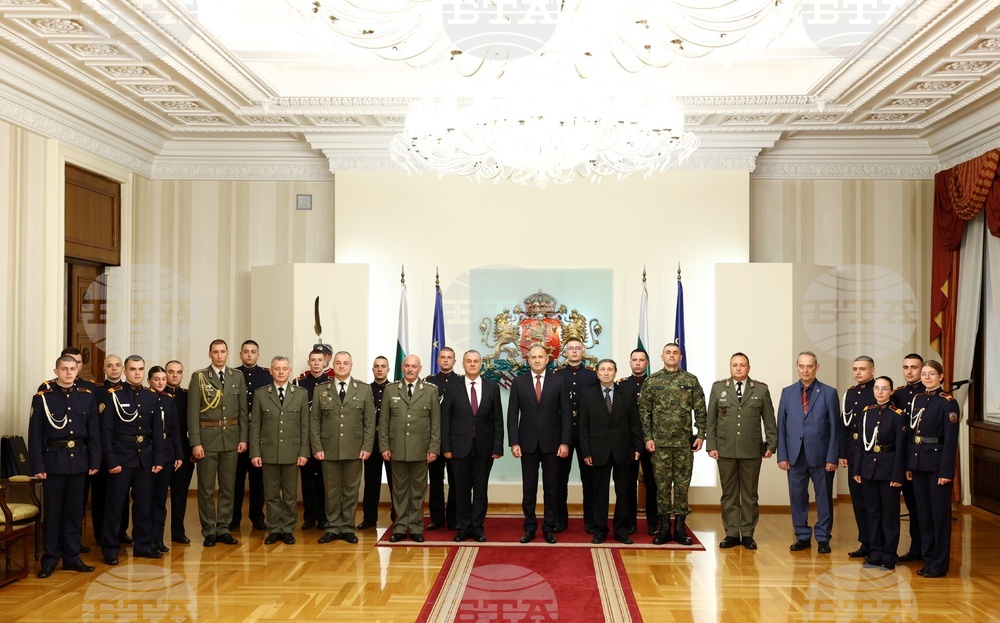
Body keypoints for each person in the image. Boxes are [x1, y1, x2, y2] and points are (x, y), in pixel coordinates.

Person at [28, 355, 100, 578]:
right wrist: (37, 465)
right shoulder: (43, 398)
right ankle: (49, 560)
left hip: (79, 461)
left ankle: (71, 557)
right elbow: (35, 435)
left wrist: (94, 461)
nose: (69, 373)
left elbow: (94, 433)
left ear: (77, 371)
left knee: (74, 513)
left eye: (72, 369)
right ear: (56, 371)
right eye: (64, 369)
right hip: (53, 462)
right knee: (53, 514)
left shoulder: (86, 397)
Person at [706, 352, 777, 550]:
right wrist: (711, 445)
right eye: (735, 365)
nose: (738, 368)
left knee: (749, 495)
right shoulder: (719, 387)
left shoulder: (761, 390)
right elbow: (711, 419)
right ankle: (731, 533)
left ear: (749, 368)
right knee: (729, 494)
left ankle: (747, 533)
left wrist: (771, 444)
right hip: (725, 449)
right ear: (730, 367)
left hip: (751, 450)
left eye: (742, 365)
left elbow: (769, 420)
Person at [639, 342, 707, 546]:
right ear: (662, 357)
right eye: (668, 353)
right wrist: (648, 437)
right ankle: (663, 528)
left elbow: (701, 409)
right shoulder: (652, 381)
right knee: (661, 487)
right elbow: (645, 412)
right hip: (659, 445)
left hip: (684, 445)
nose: (671, 355)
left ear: (680, 357)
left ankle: (679, 528)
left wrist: (701, 434)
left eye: (675, 353)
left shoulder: (690, 381)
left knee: (681, 487)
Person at [100, 355, 164, 565]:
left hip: (144, 458)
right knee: (115, 506)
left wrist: (158, 459)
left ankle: (143, 545)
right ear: (125, 372)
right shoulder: (113, 395)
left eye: (140, 369)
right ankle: (110, 549)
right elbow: (106, 431)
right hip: (121, 457)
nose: (137, 373)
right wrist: (111, 460)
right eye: (133, 369)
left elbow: (157, 431)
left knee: (143, 505)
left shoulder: (151, 396)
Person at [776, 351, 840, 554]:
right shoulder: (787, 392)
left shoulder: (829, 393)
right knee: (797, 497)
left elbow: (834, 428)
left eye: (809, 366)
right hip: (795, 456)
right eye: (802, 366)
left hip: (821, 457)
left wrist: (832, 457)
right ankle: (802, 536)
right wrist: (782, 455)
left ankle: (823, 538)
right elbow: (782, 426)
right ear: (797, 366)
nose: (805, 370)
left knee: (823, 498)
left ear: (816, 367)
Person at [187, 339, 248, 547]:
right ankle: (208, 530)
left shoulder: (236, 377)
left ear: (228, 354)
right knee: (205, 488)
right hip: (207, 439)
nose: (219, 355)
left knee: (228, 487)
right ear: (209, 354)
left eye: (223, 352)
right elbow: (192, 413)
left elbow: (242, 411)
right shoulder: (199, 377)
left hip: (231, 438)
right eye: (215, 352)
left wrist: (243, 438)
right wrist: (195, 442)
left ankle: (223, 528)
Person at [507, 345, 571, 544]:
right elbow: (512, 414)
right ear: (528, 360)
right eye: (533, 357)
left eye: (540, 357)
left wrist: (565, 442)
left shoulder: (558, 381)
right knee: (529, 489)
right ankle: (530, 527)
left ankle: (549, 527)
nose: (536, 360)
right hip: (527, 444)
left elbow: (566, 415)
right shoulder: (519, 382)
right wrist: (514, 442)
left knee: (551, 489)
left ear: (547, 359)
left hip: (553, 444)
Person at [311, 351, 375, 544]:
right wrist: (317, 446)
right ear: (333, 365)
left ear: (351, 365)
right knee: (331, 491)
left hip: (354, 449)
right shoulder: (321, 389)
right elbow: (314, 421)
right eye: (338, 363)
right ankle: (332, 527)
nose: (341, 366)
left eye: (345, 363)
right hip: (328, 448)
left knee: (350, 490)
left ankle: (347, 527)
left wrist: (367, 446)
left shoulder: (363, 389)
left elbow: (369, 422)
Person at [443, 350, 503, 543]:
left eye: (476, 361)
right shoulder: (452, 387)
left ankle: (477, 527)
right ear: (463, 364)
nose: (472, 364)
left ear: (481, 364)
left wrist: (497, 447)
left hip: (484, 448)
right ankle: (463, 527)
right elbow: (445, 419)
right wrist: (447, 447)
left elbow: (498, 420)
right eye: (468, 361)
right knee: (460, 489)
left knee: (480, 489)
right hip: (459, 447)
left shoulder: (492, 387)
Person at [907, 360, 961, 578]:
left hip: (937, 466)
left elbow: (950, 440)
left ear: (941, 377)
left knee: (939, 516)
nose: (927, 377)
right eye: (925, 373)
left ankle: (939, 564)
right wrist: (910, 464)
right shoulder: (918, 399)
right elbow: (912, 435)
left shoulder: (948, 403)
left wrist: (947, 472)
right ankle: (927, 560)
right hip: (919, 464)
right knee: (923, 514)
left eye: (932, 374)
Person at [580, 359, 642, 545]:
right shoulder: (588, 394)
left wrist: (637, 447)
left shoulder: (627, 393)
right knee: (599, 493)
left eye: (610, 370)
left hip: (623, 450)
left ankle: (621, 530)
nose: (606, 373)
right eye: (602, 370)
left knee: (623, 492)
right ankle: (599, 530)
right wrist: (586, 452)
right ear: (597, 373)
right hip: (598, 451)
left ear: (615, 372)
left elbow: (634, 422)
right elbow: (584, 426)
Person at [250, 356, 309, 545]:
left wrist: (303, 452)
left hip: (292, 452)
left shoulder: (300, 394)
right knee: (272, 494)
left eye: (284, 368)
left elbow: (304, 426)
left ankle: (288, 528)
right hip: (268, 452)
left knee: (290, 495)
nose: (281, 372)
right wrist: (255, 452)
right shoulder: (261, 394)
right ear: (271, 371)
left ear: (290, 371)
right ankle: (274, 528)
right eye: (277, 368)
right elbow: (255, 426)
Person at [381, 355, 440, 543]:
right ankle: (399, 527)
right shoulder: (390, 390)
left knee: (417, 490)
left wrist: (434, 447)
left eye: (414, 366)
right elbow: (383, 422)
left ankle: (415, 527)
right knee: (399, 490)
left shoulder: (431, 390)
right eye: (407, 366)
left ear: (420, 368)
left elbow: (435, 423)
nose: (410, 369)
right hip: (397, 449)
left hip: (421, 450)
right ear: (402, 367)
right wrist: (384, 446)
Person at [854, 376, 907, 570]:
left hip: (888, 469)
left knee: (890, 514)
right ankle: (875, 552)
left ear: (891, 392)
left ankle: (889, 554)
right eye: (877, 388)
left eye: (884, 389)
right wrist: (858, 468)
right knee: (873, 513)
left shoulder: (897, 414)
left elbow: (901, 448)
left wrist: (897, 475)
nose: (880, 392)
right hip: (868, 469)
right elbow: (860, 444)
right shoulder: (867, 412)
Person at [552, 338, 599, 533]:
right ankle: (560, 520)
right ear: (565, 352)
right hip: (562, 435)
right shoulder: (557, 375)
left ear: (582, 352)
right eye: (570, 348)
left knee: (589, 481)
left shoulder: (592, 376)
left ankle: (590, 520)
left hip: (585, 434)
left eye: (577, 348)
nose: (574, 351)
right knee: (559, 481)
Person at [618, 348, 657, 535]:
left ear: (647, 363)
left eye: (642, 360)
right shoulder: (621, 386)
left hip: (652, 441)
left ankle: (653, 523)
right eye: (634, 360)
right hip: (628, 442)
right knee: (627, 484)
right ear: (630, 363)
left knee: (652, 483)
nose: (638, 363)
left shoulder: (655, 384)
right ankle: (629, 522)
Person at [233, 340, 272, 532]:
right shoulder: (232, 375)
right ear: (240, 354)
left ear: (258, 354)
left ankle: (257, 517)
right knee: (235, 480)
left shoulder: (267, 376)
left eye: (253, 352)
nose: (249, 355)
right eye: (246, 352)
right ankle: (233, 518)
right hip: (236, 436)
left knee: (258, 482)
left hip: (260, 436)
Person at [841, 355, 876, 559]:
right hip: (854, 454)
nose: (858, 373)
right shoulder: (851, 393)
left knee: (872, 503)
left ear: (872, 370)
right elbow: (844, 426)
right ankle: (865, 542)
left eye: (862, 369)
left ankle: (876, 544)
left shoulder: (878, 391)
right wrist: (843, 452)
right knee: (858, 502)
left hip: (872, 456)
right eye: (855, 369)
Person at [891, 353, 925, 563]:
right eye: (906, 367)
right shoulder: (898, 395)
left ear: (922, 369)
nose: (909, 371)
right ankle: (914, 549)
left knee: (919, 507)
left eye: (914, 367)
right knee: (904, 506)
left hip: (919, 459)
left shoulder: (928, 393)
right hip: (898, 459)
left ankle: (923, 549)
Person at [91, 354, 127, 546]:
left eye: (117, 365)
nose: (114, 369)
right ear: (104, 369)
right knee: (100, 494)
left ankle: (121, 532)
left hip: (122, 451)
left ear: (123, 369)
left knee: (121, 495)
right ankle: (99, 533)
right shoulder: (96, 392)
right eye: (110, 366)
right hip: (101, 450)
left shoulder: (127, 390)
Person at [294, 348, 331, 530]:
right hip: (305, 439)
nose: (316, 363)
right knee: (307, 480)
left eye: (319, 360)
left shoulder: (331, 384)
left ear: (325, 363)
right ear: (309, 363)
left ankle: (324, 517)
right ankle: (309, 517)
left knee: (324, 480)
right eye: (313, 360)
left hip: (325, 439)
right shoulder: (299, 383)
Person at [148, 366, 183, 554]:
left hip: (168, 455)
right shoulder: (145, 398)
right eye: (156, 379)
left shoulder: (169, 400)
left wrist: (178, 454)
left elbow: (175, 429)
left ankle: (158, 539)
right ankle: (146, 540)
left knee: (160, 501)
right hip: (149, 456)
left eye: (163, 379)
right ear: (149, 381)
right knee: (146, 500)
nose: (161, 382)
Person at [425, 347, 459, 531]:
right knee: (435, 481)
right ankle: (437, 518)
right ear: (437, 360)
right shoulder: (429, 382)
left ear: (454, 361)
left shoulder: (460, 381)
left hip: (453, 440)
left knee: (455, 481)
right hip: (434, 440)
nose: (446, 360)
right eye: (443, 357)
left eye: (449, 358)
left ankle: (453, 518)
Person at [357, 355, 394, 530]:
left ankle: (397, 517)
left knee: (396, 482)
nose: (380, 369)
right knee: (371, 482)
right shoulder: (364, 390)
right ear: (373, 369)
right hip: (371, 442)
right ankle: (369, 518)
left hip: (391, 443)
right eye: (376, 366)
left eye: (383, 366)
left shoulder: (395, 389)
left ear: (388, 369)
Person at [164, 360, 194, 544]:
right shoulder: (155, 395)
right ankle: (154, 534)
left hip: (184, 450)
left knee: (180, 494)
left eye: (178, 372)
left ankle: (178, 531)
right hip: (163, 452)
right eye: (171, 372)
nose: (175, 375)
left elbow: (193, 425)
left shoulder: (188, 396)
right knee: (156, 496)